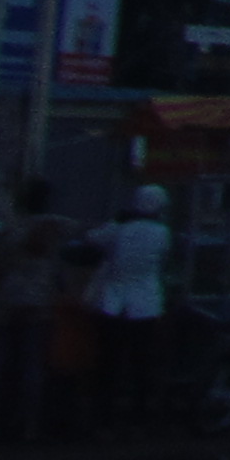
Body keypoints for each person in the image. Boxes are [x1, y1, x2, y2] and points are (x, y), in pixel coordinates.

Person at [0, 176, 73, 444]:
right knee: (32, 367)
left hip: (6, 299)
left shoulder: (9, 227)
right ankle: (29, 428)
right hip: (38, 301)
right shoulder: (54, 227)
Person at [88, 184, 172, 429]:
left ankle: (104, 418)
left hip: (113, 303)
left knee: (109, 364)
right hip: (146, 305)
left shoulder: (118, 230)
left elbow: (91, 239)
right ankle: (140, 419)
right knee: (141, 365)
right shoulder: (162, 233)